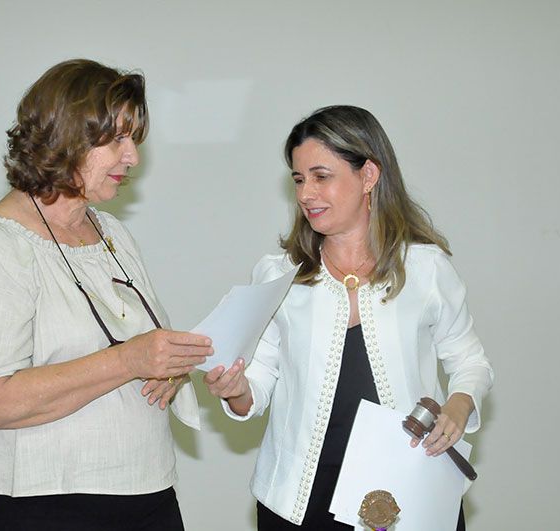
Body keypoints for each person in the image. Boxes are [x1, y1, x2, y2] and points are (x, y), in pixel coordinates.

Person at [0, 59, 212, 531]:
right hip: (48, 506)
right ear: (65, 137)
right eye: (117, 140)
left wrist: (167, 368)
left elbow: (140, 348)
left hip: (148, 492)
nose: (133, 158)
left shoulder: (112, 233)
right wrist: (129, 360)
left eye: (134, 139)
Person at [204, 105, 494, 530]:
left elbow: (470, 361)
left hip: (410, 494)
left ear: (368, 175)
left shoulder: (426, 269)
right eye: (299, 179)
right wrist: (236, 390)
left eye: (321, 176)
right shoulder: (278, 274)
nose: (306, 194)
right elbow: (258, 383)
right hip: (298, 502)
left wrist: (459, 404)